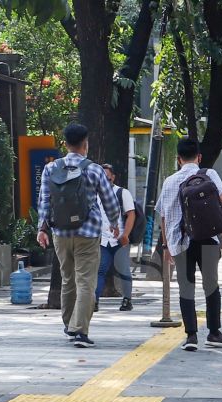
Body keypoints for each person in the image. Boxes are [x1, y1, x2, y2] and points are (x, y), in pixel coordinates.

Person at [37, 123, 121, 348]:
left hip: (60, 233)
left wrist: (41, 229)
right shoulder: (94, 169)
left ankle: (69, 325)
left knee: (67, 279)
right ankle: (80, 330)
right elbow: (109, 201)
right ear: (85, 144)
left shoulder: (50, 169)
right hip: (88, 232)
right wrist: (114, 223)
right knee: (86, 282)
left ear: (65, 144)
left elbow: (45, 201)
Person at [156, 138, 222, 351]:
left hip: (180, 241)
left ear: (178, 159)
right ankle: (214, 332)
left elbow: (163, 216)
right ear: (199, 157)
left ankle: (191, 336)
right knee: (211, 286)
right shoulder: (208, 175)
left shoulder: (169, 181)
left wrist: (165, 246)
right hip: (207, 238)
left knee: (186, 287)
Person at [95, 164, 136, 312]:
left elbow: (131, 214)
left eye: (107, 176)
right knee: (100, 270)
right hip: (102, 239)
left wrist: (125, 234)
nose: (105, 180)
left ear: (113, 177)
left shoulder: (122, 193)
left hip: (119, 239)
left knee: (123, 270)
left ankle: (127, 299)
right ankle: (94, 300)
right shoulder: (94, 194)